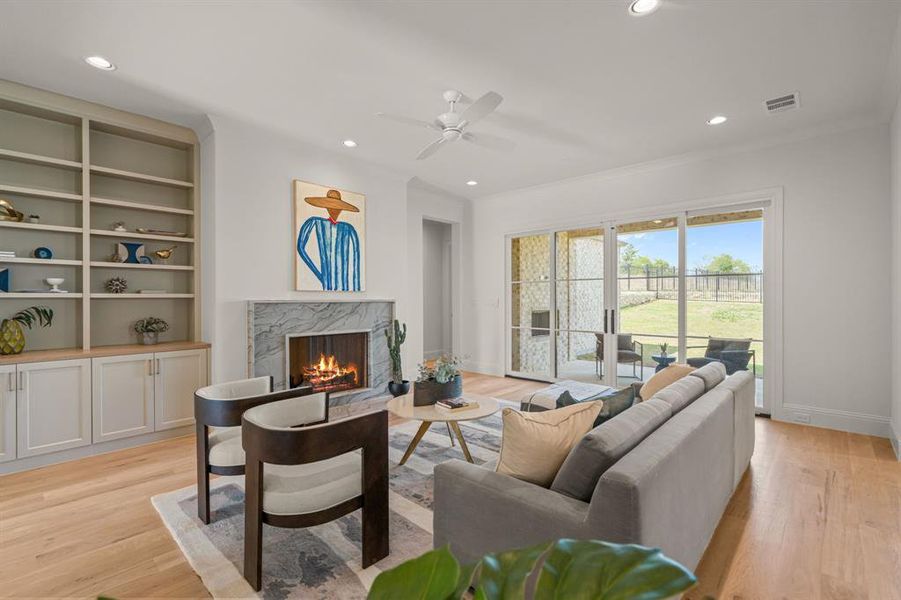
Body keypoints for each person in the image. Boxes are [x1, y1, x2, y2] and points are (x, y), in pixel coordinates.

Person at [297, 189, 361, 291]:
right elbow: (300, 247)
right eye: (332, 207)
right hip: (329, 284)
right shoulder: (316, 222)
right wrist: (319, 275)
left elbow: (356, 262)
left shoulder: (348, 228)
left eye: (338, 208)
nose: (335, 210)